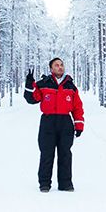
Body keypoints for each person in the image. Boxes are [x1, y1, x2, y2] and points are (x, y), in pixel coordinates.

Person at [24, 57, 84, 192]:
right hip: (48, 122)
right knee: (46, 153)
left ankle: (65, 184)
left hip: (65, 123)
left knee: (65, 154)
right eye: (56, 65)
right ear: (51, 69)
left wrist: (79, 124)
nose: (60, 67)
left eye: (61, 65)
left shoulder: (70, 86)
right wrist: (29, 85)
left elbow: (77, 107)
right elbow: (32, 99)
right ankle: (44, 183)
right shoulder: (43, 84)